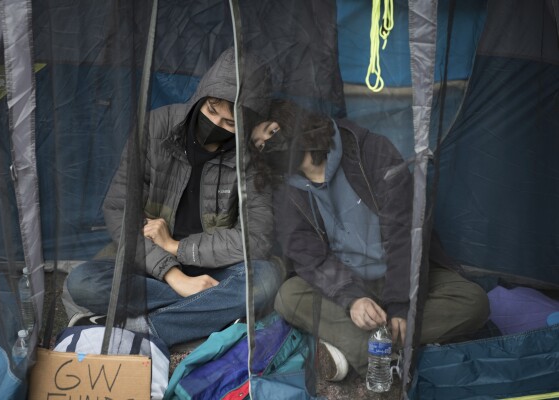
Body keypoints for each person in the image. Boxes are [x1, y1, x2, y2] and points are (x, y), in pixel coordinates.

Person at [250, 99, 490, 381]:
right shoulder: (285, 191)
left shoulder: (369, 150)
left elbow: (406, 228)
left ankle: (355, 345)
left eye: (270, 131)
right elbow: (307, 254)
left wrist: (402, 303)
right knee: (288, 296)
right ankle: (382, 355)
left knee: (474, 302)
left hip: (399, 275)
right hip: (348, 283)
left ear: (291, 119)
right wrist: (352, 299)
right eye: (259, 145)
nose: (268, 143)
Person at [65, 48, 283, 348]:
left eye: (229, 124)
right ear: (200, 98)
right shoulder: (156, 127)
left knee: (266, 279)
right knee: (82, 281)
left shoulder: (249, 154)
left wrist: (180, 248)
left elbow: (256, 238)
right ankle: (209, 312)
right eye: (210, 112)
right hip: (151, 260)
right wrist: (174, 276)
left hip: (216, 264)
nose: (215, 126)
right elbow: (120, 209)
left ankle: (144, 326)